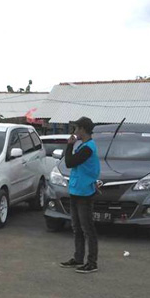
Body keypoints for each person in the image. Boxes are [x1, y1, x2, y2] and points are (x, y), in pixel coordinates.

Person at [59, 117, 101, 274]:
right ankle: (78, 258)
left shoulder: (88, 147)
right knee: (76, 227)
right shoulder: (83, 145)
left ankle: (92, 262)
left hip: (84, 192)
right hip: (76, 190)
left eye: (76, 128)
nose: (75, 131)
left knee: (87, 228)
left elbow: (69, 162)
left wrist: (69, 145)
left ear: (83, 129)